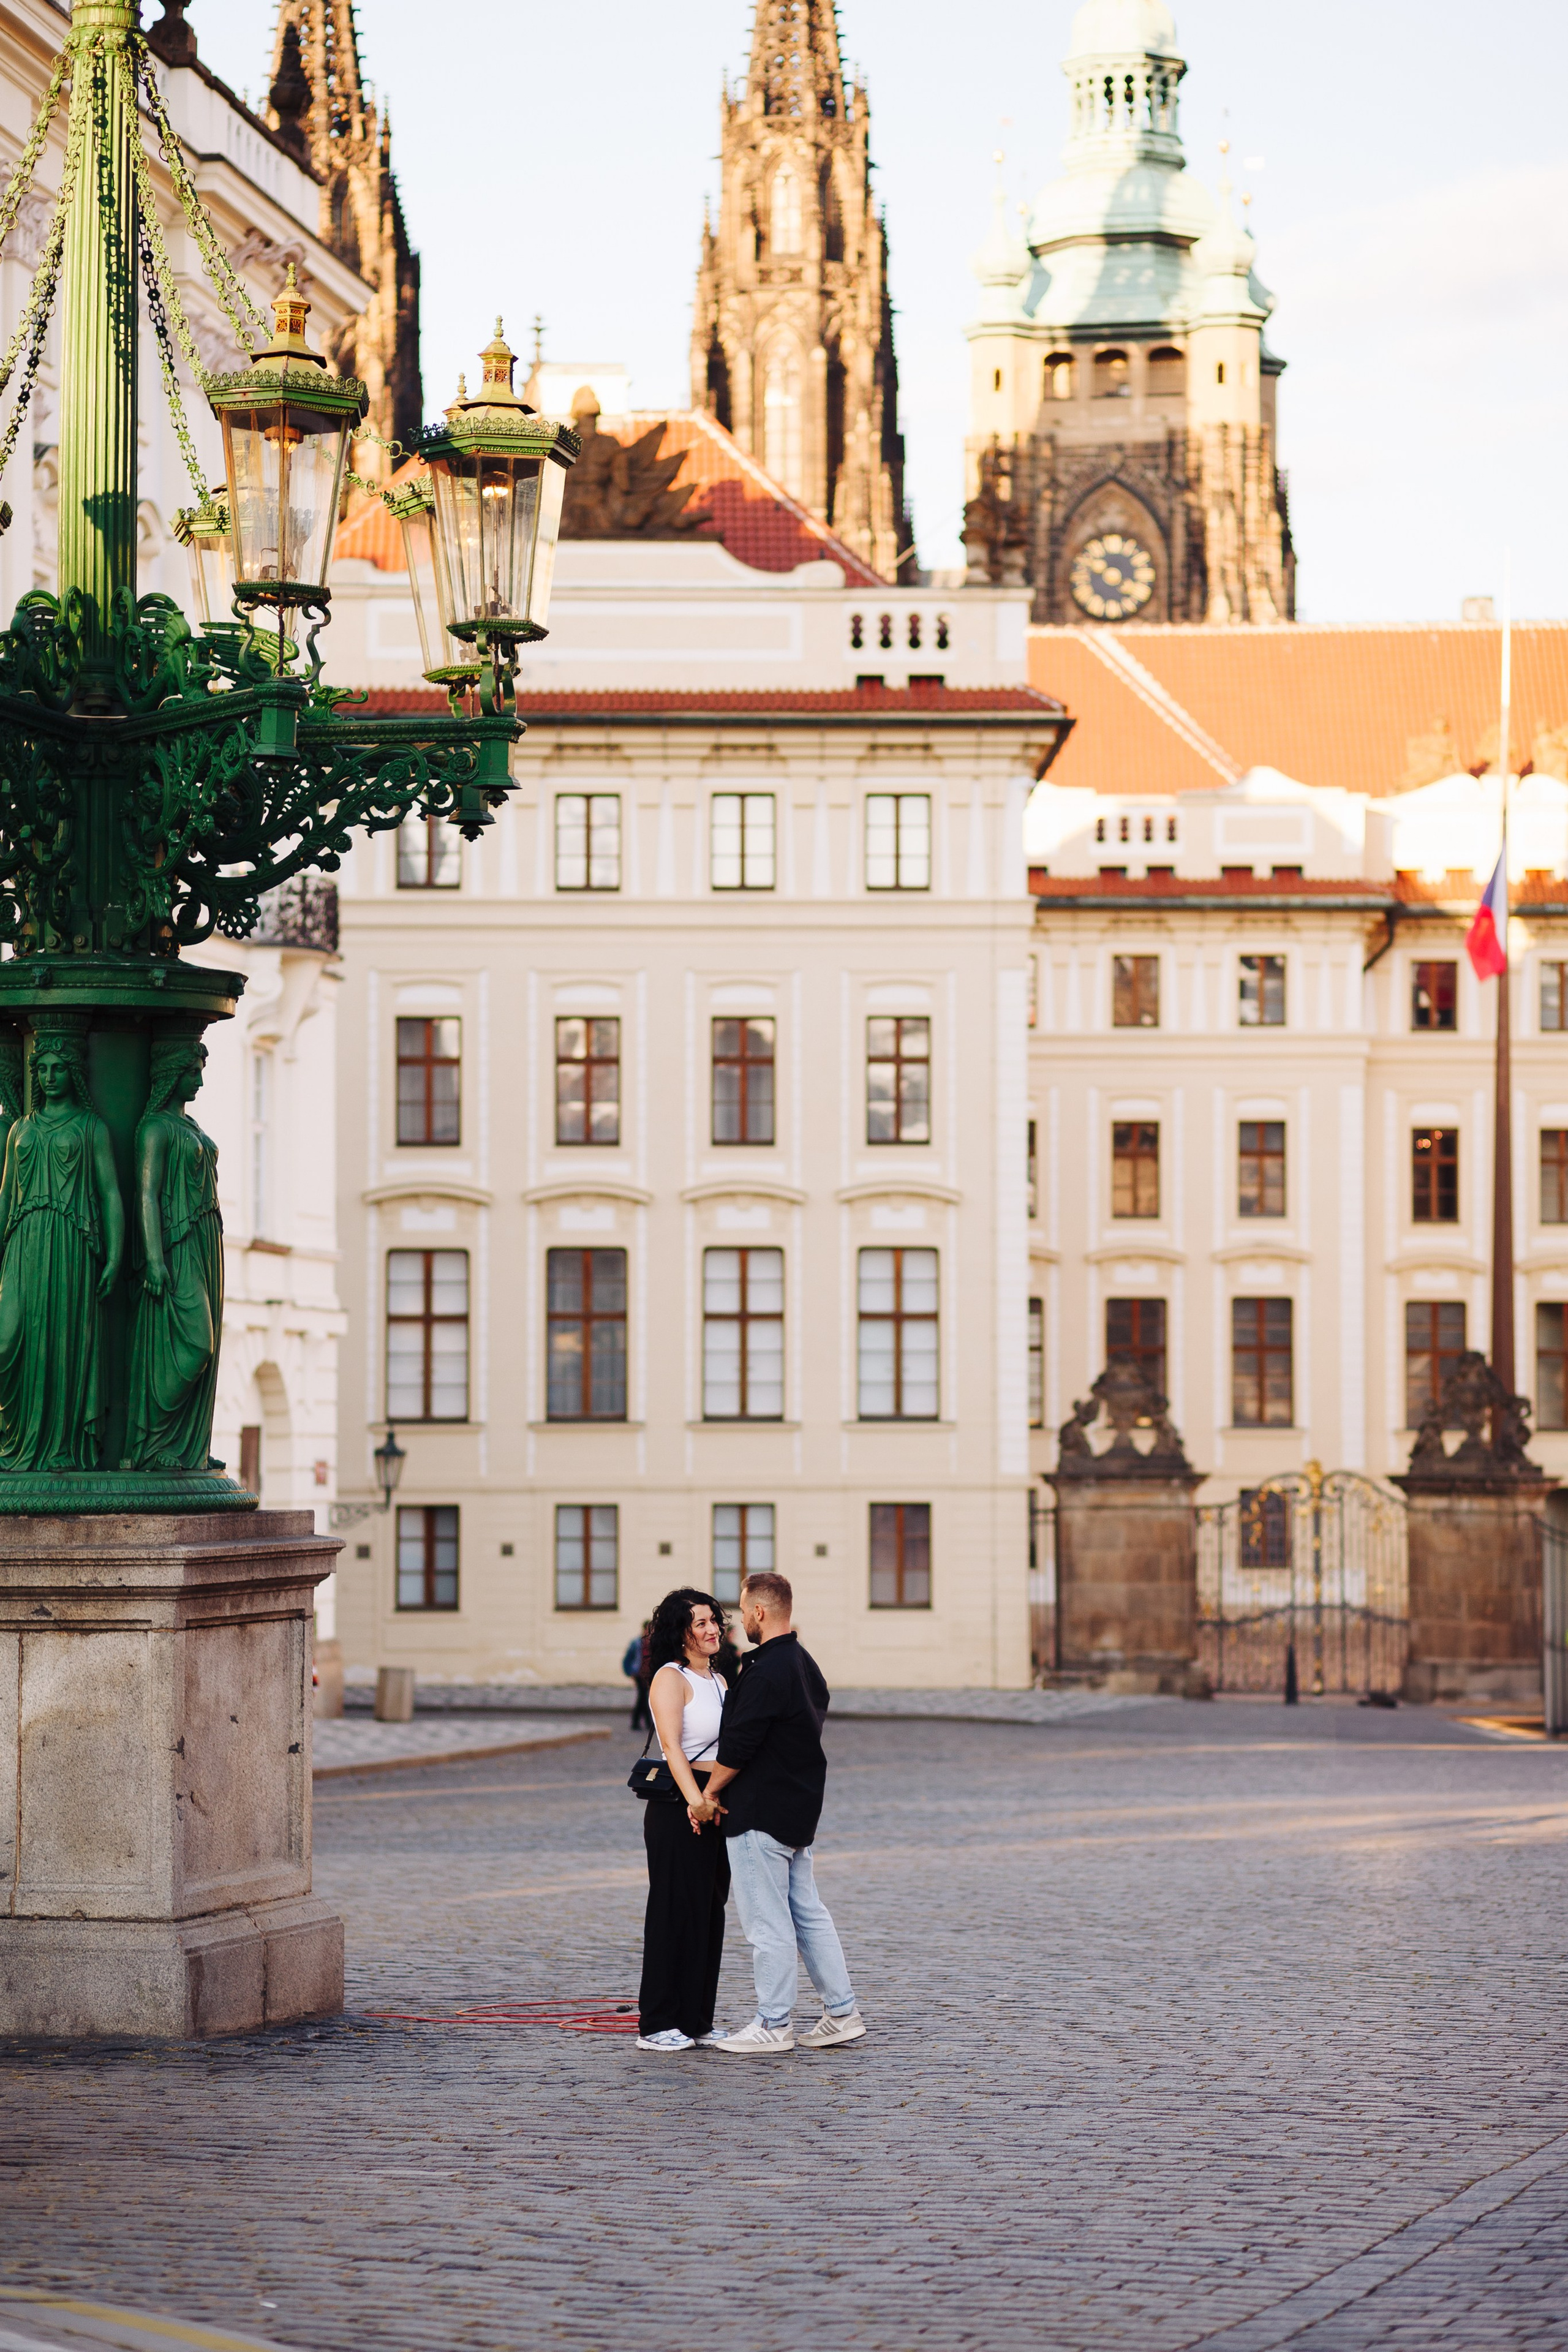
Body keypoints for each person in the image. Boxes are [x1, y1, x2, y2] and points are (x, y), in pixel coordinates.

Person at [698, 1572, 865, 2055]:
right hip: (797, 1810)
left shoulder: (767, 1668)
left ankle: (773, 2024)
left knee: (768, 1923)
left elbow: (739, 1746)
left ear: (761, 1612)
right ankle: (842, 2012)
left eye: (744, 1610)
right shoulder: (803, 1662)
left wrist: (707, 1794)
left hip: (758, 1812)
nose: (742, 1619)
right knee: (809, 1915)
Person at [635, 1588, 731, 2054]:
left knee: (708, 1914)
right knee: (673, 1912)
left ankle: (697, 2020)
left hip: (713, 1805)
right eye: (700, 1623)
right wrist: (696, 1801)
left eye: (714, 1620)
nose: (712, 1629)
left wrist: (712, 1800)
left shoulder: (718, 1679)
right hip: (679, 1807)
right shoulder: (670, 1679)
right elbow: (672, 1747)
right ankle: (656, 2023)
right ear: (681, 1632)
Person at [623, 1619, 652, 1732]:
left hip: (650, 1674)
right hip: (639, 1674)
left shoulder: (654, 1643)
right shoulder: (636, 1643)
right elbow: (628, 1659)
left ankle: (639, 1723)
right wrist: (630, 1672)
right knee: (643, 1697)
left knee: (644, 1697)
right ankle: (645, 1722)